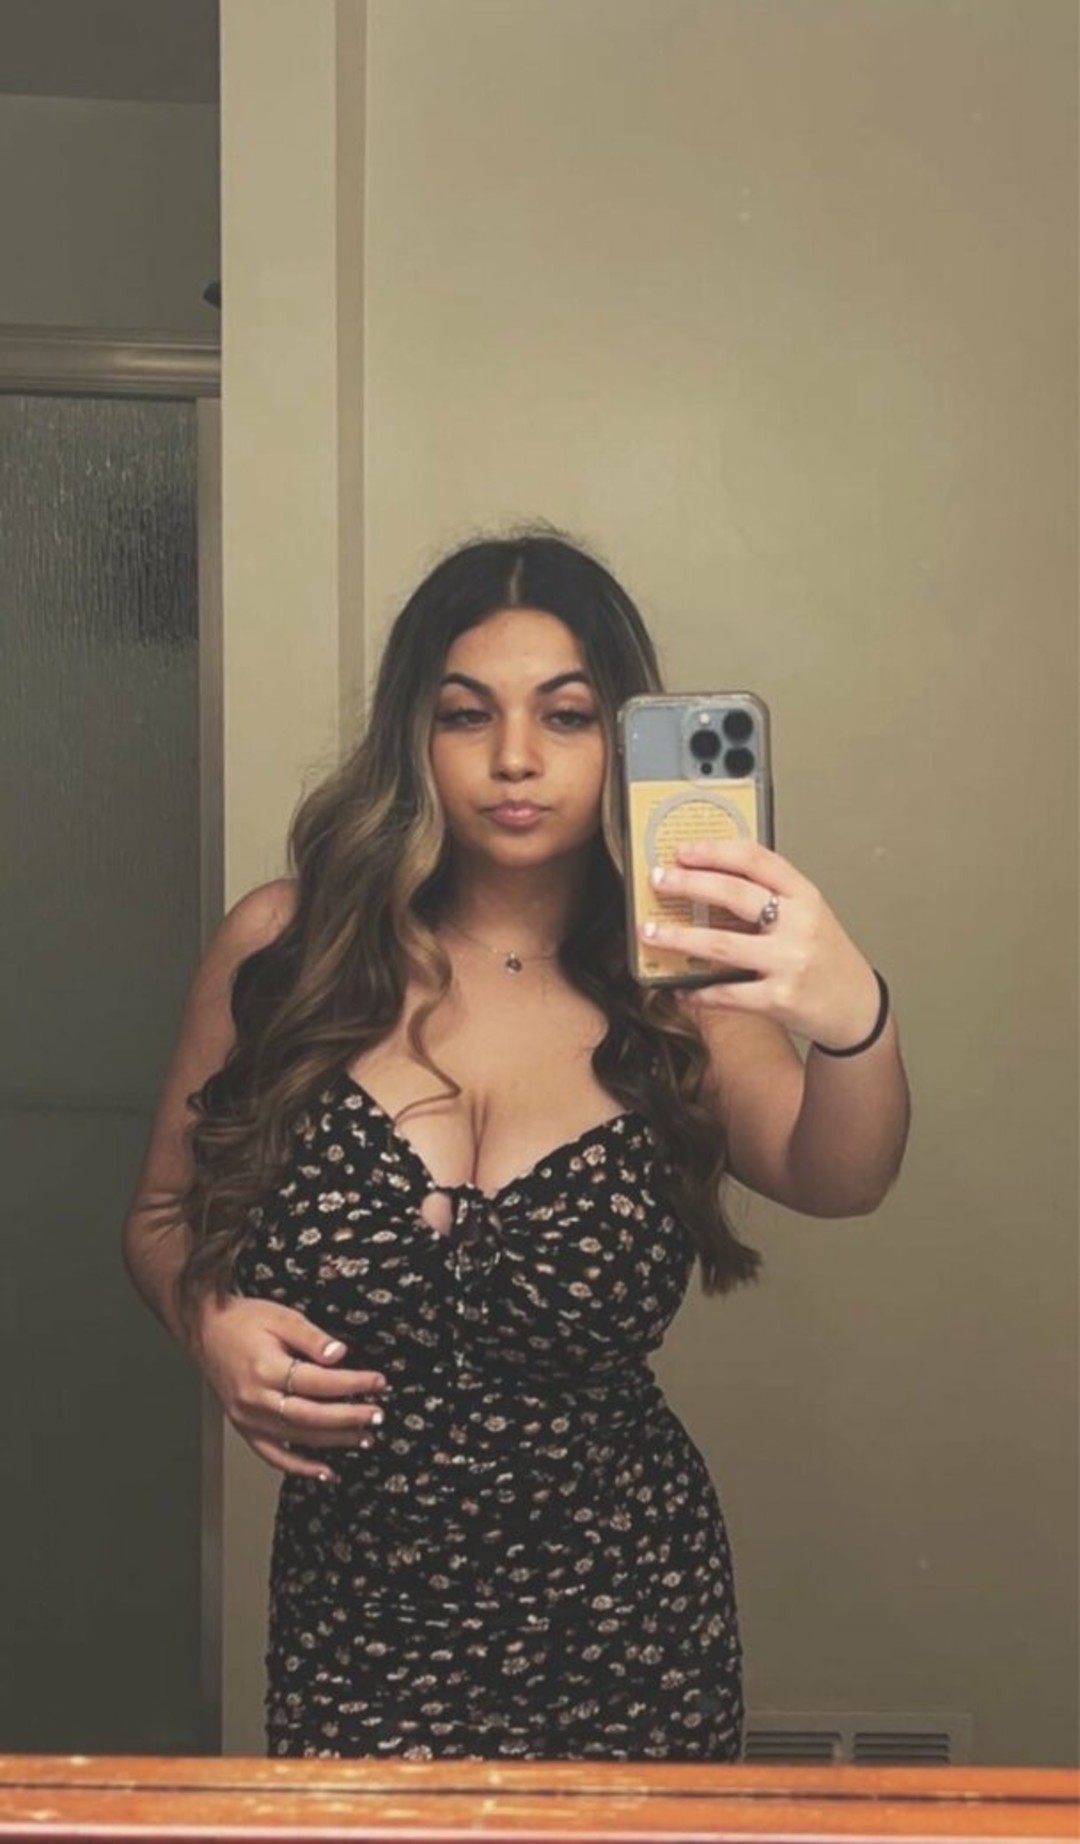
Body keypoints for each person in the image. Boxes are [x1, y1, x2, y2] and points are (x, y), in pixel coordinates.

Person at [123, 529, 909, 1762]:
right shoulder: (287, 949)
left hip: (630, 1614)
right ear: (414, 736)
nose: (515, 757)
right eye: (466, 712)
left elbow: (841, 1175)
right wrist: (210, 1324)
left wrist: (853, 1013)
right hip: (357, 1614)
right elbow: (162, 1215)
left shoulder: (681, 986)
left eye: (567, 713)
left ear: (622, 740)